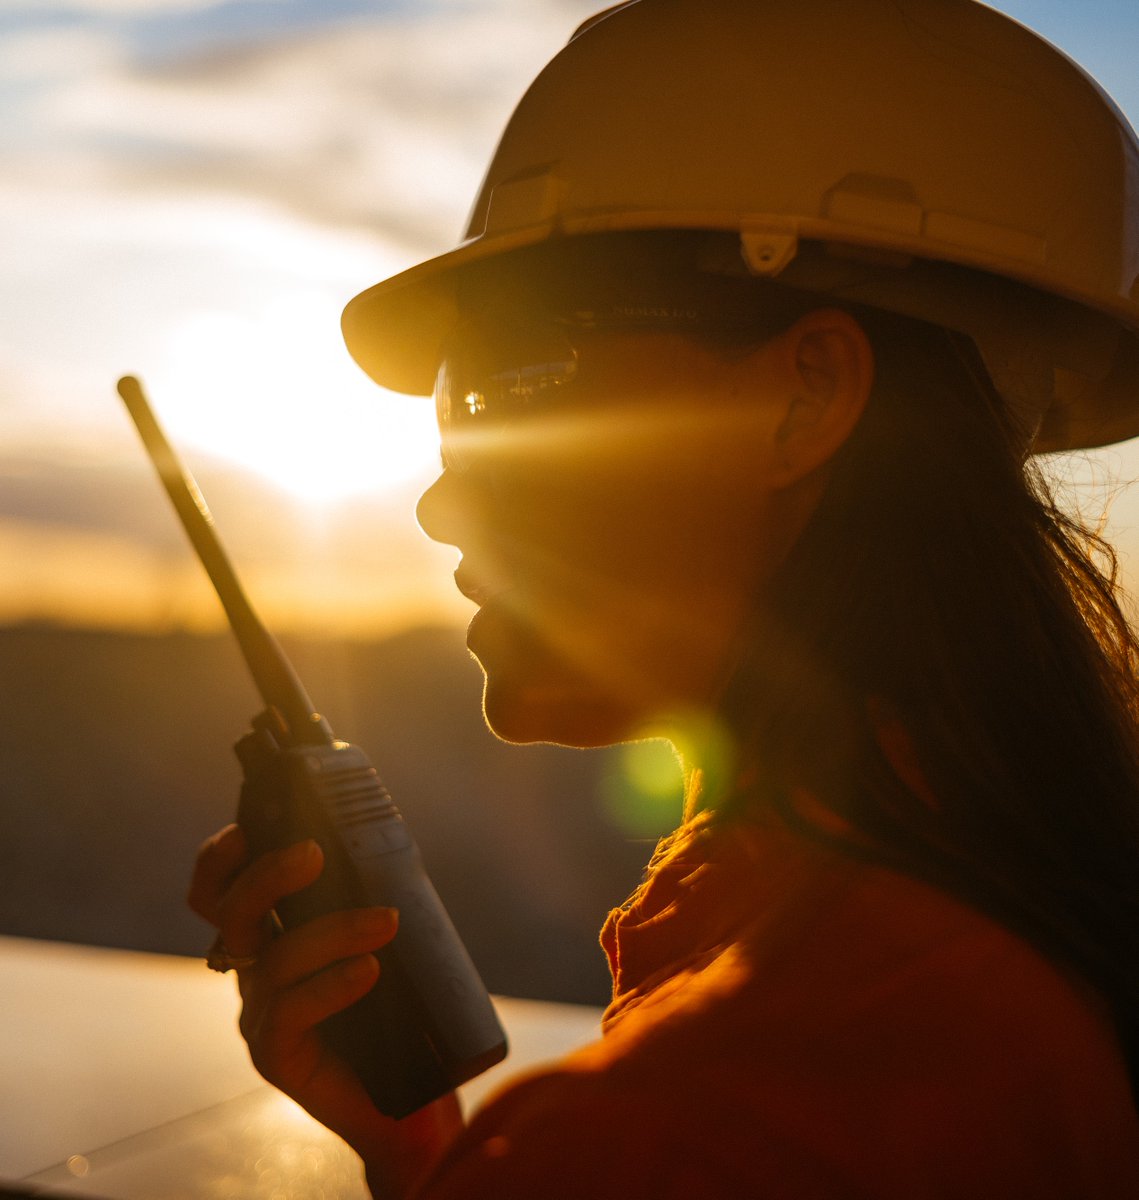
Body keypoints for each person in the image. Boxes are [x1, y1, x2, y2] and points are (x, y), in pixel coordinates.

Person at [188, 0, 1139, 1194]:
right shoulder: (1015, 916)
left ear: (803, 397)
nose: (440, 503)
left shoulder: (684, 1126)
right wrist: (431, 1153)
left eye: (504, 385)